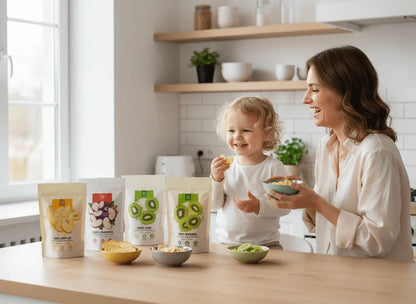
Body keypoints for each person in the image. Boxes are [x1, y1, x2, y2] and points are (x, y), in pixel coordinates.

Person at [265, 46, 413, 261]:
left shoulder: (377, 150)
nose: (305, 99)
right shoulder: (327, 145)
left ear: (346, 93)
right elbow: (326, 224)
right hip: (335, 275)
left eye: (314, 90)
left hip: (378, 286)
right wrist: (305, 198)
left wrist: (316, 202)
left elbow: (377, 240)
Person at [211, 96, 289, 248]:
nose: (237, 136)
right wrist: (216, 179)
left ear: (266, 133)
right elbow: (214, 205)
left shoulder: (273, 167)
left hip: (267, 245)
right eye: (231, 130)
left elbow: (285, 207)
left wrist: (258, 206)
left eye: (245, 130)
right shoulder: (225, 168)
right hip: (225, 245)